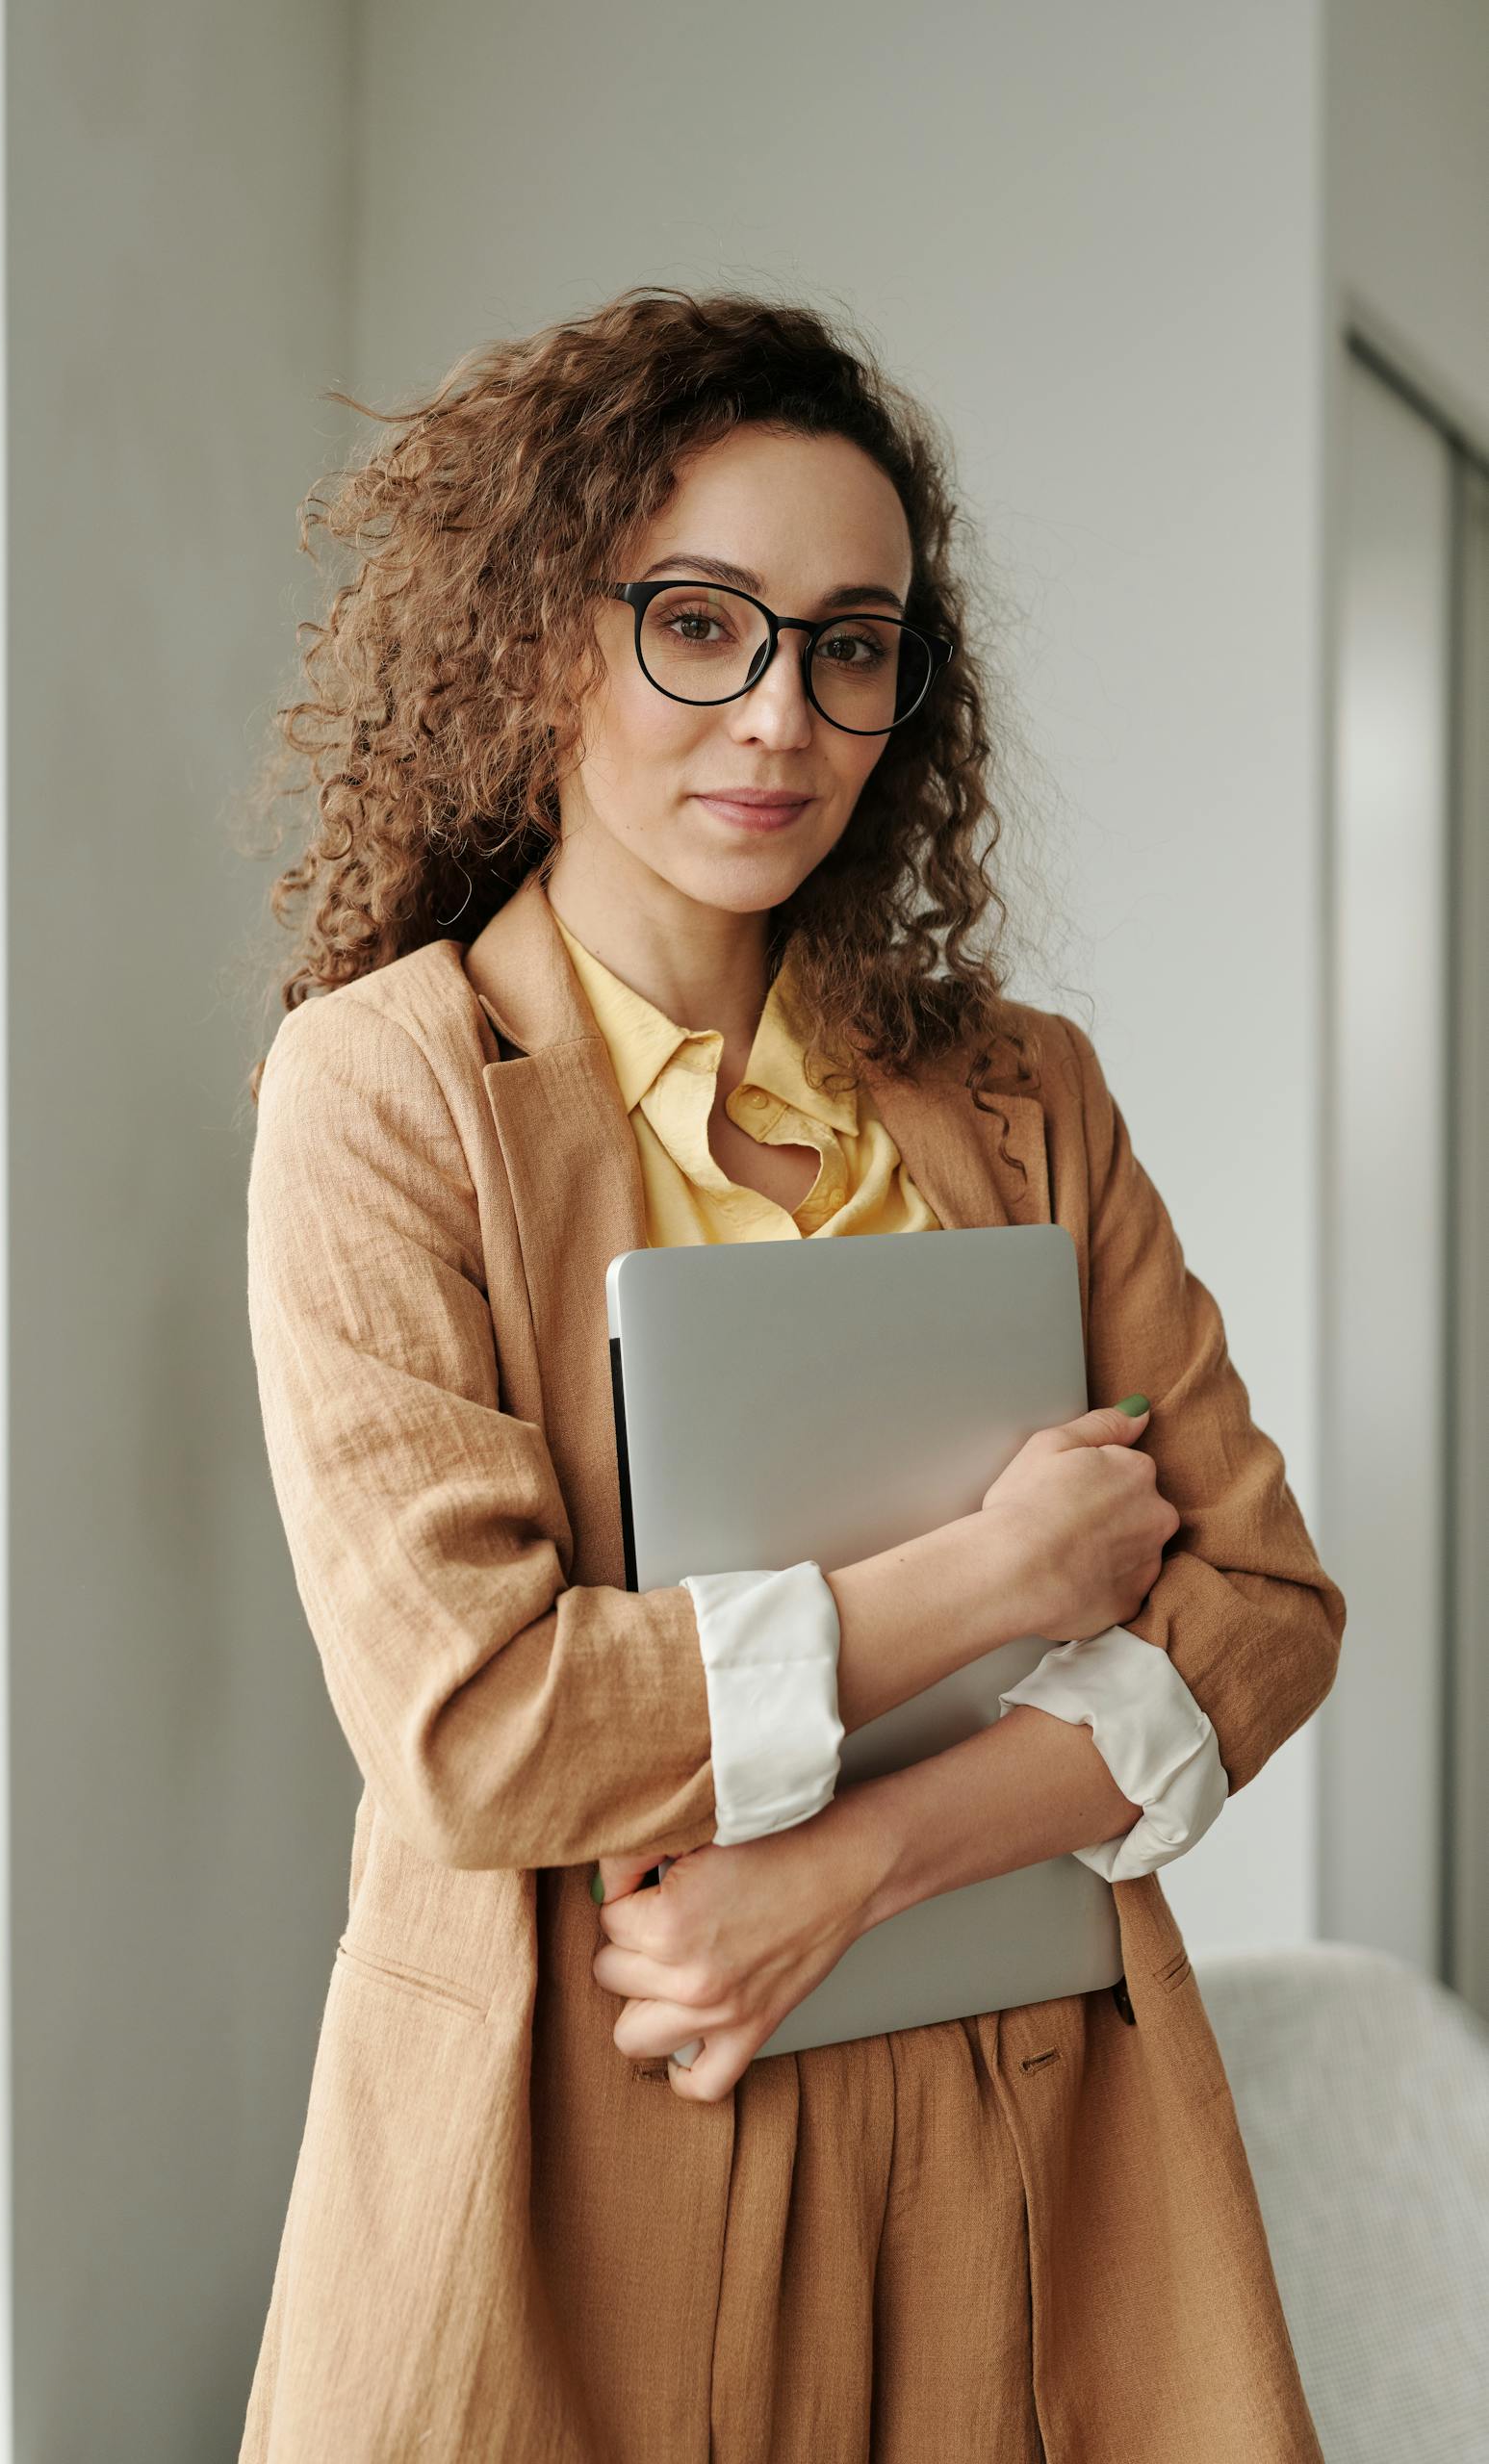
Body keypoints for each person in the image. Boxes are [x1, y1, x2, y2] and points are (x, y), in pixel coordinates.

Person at [235, 285, 1346, 2464]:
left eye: (851, 643)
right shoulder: (383, 1089)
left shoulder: (1020, 1091)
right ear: (549, 633)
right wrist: (997, 1573)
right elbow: (478, 1722)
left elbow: (1264, 1606)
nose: (778, 718)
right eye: (700, 623)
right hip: (585, 2118)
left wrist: (858, 1863)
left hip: (1023, 2117)